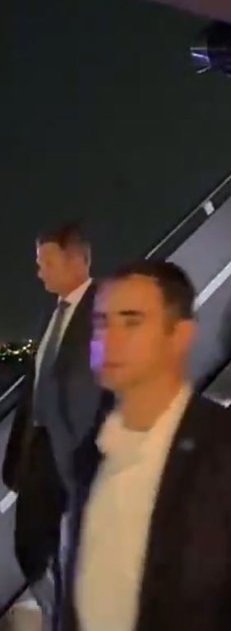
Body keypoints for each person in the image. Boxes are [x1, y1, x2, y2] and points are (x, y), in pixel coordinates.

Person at [60, 260, 231, 631]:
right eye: (101, 323)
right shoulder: (91, 454)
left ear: (179, 335)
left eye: (131, 322)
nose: (108, 339)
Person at [2, 222, 106, 629]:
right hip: (39, 452)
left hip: (76, 452)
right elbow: (34, 388)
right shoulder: (53, 314)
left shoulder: (102, 312)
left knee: (66, 552)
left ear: (75, 260)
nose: (39, 271)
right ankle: (59, 613)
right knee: (30, 549)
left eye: (46, 261)